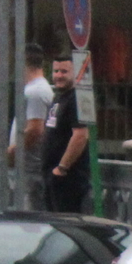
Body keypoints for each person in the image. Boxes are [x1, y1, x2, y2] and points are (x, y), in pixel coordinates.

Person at [42, 56, 92, 216]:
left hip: (68, 180)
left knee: (67, 225)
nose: (58, 75)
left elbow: (81, 135)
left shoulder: (76, 99)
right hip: (52, 177)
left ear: (75, 73)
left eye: (64, 71)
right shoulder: (58, 97)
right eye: (56, 71)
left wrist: (62, 169)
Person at [10, 47, 53, 210]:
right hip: (28, 167)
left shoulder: (36, 91)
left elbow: (35, 130)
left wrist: (14, 151)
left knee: (32, 214)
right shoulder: (34, 89)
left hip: (32, 168)